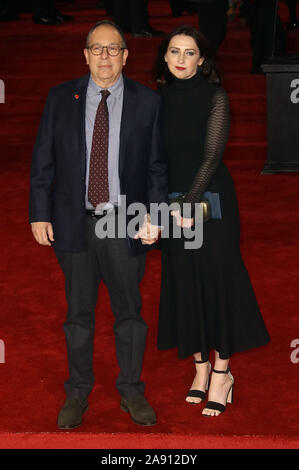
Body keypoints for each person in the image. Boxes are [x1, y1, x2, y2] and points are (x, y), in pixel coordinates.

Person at [29, 20, 168, 429]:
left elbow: (158, 168)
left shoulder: (148, 102)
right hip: (74, 222)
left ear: (126, 56)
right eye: (97, 48)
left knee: (129, 313)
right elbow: (42, 161)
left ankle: (131, 391)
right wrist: (39, 212)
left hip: (126, 222)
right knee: (78, 314)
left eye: (113, 49)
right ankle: (77, 393)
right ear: (85, 55)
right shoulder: (60, 98)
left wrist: (156, 217)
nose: (105, 56)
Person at [153, 25, 270, 416]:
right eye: (174, 52)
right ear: (165, 58)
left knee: (216, 280)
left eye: (189, 53)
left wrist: (186, 205)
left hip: (211, 200)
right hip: (172, 204)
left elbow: (211, 156)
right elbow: (155, 160)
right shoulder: (160, 99)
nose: (181, 60)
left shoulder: (215, 97)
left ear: (202, 59)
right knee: (184, 280)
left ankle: (223, 371)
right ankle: (200, 368)